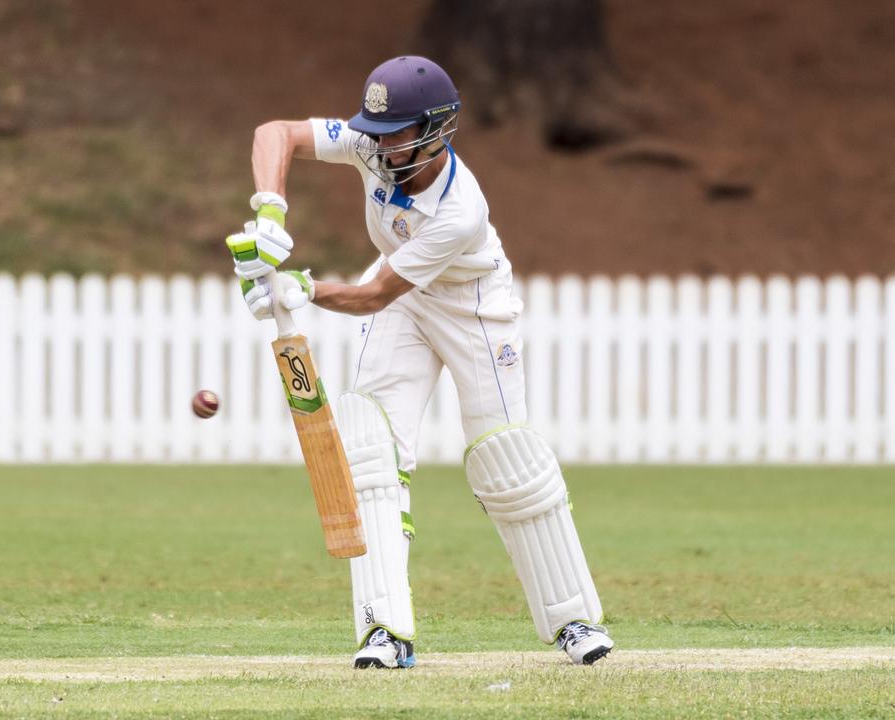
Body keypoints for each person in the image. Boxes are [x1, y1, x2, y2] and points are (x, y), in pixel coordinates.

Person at [226, 56, 612, 668]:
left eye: (397, 133)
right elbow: (275, 134)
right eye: (375, 131)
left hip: (474, 309)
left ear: (435, 131)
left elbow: (373, 295)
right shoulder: (371, 141)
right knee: (370, 451)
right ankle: (385, 631)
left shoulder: (461, 211)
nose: (380, 146)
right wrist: (270, 211)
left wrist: (301, 288)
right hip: (403, 303)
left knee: (507, 460)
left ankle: (574, 623)